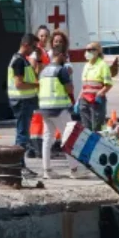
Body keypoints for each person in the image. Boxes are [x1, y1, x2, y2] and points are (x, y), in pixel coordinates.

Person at [37, 49, 81, 179]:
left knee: (47, 138)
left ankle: (47, 170)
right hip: (59, 108)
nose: (66, 59)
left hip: (45, 109)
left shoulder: (43, 71)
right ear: (60, 55)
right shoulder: (61, 70)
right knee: (68, 137)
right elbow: (69, 89)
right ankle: (74, 170)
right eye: (65, 56)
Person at [6, 34, 41, 164]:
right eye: (33, 46)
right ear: (26, 45)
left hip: (24, 101)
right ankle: (19, 165)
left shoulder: (22, 60)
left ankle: (18, 164)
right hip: (22, 101)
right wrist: (36, 85)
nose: (34, 49)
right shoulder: (19, 61)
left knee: (22, 133)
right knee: (22, 135)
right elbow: (19, 84)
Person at [79, 41, 113, 132]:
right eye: (86, 50)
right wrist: (79, 99)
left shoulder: (102, 65)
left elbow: (108, 84)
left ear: (98, 51)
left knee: (96, 128)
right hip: (84, 100)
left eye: (90, 50)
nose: (88, 52)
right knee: (86, 128)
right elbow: (84, 86)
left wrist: (100, 94)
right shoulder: (86, 65)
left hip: (96, 101)